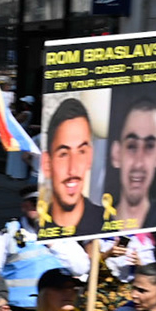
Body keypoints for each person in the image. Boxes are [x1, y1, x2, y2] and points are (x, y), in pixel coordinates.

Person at [40, 99, 106, 238]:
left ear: (90, 157)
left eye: (81, 152)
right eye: (63, 154)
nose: (73, 170)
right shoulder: (34, 229)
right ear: (47, 163)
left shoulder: (107, 225)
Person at [107, 97, 156, 231]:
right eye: (131, 146)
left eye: (149, 146)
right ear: (116, 153)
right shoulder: (96, 223)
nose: (138, 163)